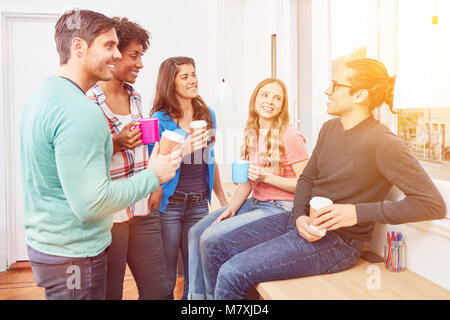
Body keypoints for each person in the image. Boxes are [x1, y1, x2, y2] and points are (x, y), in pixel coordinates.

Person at [200, 58, 446, 300]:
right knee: (214, 246)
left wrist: (357, 212)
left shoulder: (383, 142)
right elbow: (306, 179)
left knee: (233, 272)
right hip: (300, 222)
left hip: (339, 242)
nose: (328, 90)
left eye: (336, 85)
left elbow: (431, 204)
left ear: (360, 95)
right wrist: (299, 216)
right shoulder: (330, 129)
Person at [20, 9, 181, 300]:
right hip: (75, 251)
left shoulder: (46, 93)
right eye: (109, 46)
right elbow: (92, 204)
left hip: (57, 247)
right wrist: (154, 175)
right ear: (78, 47)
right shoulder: (81, 110)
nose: (117, 55)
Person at [188, 78, 309, 300]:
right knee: (196, 232)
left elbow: (306, 185)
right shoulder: (252, 133)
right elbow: (247, 182)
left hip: (281, 209)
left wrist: (268, 177)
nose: (270, 101)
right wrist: (231, 208)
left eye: (277, 98)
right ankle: (197, 300)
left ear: (283, 106)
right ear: (255, 99)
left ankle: (214, 299)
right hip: (255, 203)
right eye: (265, 95)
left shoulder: (290, 136)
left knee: (210, 239)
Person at [86, 17, 169, 300]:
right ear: (115, 54)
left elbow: (145, 149)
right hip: (110, 213)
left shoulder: (135, 96)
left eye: (140, 56)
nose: (140, 64)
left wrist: (155, 182)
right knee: (111, 292)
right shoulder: (87, 100)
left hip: (143, 204)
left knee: (158, 289)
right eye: (134, 56)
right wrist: (115, 144)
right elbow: (81, 157)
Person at [149, 56, 228, 300]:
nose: (192, 80)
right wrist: (184, 148)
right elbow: (155, 166)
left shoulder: (208, 114)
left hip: (198, 205)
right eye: (185, 76)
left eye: (194, 74)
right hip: (169, 205)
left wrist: (222, 198)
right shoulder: (159, 119)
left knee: (196, 275)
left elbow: (210, 159)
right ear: (170, 83)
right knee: (167, 274)